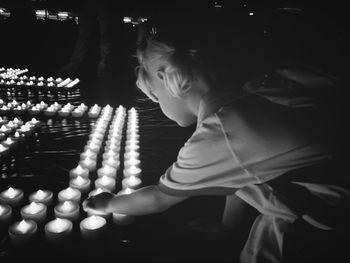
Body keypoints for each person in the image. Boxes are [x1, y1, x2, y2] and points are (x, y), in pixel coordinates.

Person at [83, 6, 350, 263]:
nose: (159, 105)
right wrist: (227, 229)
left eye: (154, 96)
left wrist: (108, 204)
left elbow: (158, 199)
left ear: (166, 77)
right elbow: (241, 177)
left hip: (326, 225)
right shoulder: (252, 94)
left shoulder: (222, 131)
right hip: (320, 198)